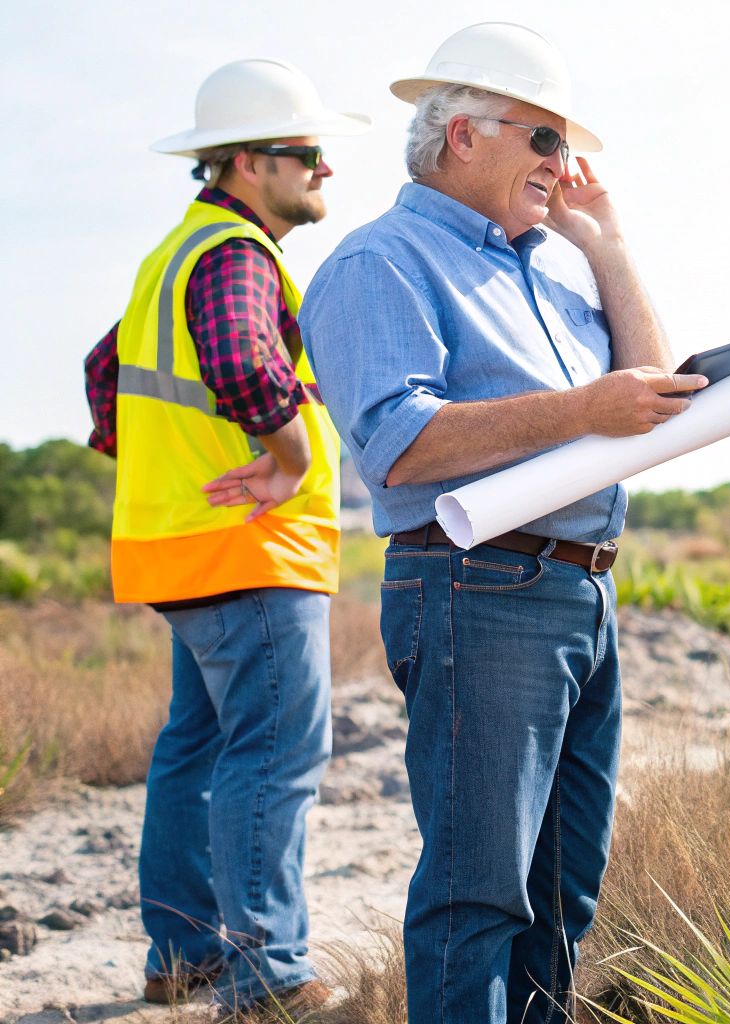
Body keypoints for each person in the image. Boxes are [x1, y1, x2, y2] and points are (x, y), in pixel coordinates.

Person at [300, 23, 707, 1022]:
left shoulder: (547, 271)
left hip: (580, 591)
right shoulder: (381, 262)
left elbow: (647, 393)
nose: (560, 167)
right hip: (478, 588)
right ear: (462, 136)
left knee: (562, 886)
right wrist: (581, 410)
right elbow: (398, 442)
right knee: (479, 891)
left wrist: (604, 242)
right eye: (542, 140)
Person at [81, 58, 367, 1015]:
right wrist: (283, 460)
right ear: (250, 164)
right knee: (274, 756)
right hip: (248, 550)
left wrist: (171, 468)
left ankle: (185, 957)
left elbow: (102, 372)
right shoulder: (236, 258)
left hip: (181, 549)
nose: (324, 169)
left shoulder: (176, 252)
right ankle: (267, 979)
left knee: (195, 748)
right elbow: (245, 364)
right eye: (305, 155)